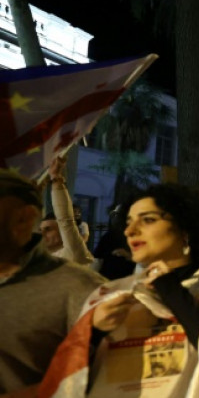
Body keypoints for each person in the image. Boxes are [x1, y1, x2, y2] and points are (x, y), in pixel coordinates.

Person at [39, 183, 199, 397]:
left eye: (148, 220)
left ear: (185, 228)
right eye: (128, 222)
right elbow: (68, 380)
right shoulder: (109, 294)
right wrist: (93, 331)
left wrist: (169, 287)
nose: (130, 231)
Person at [0, 169, 104, 395]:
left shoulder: (76, 278)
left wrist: (58, 184)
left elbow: (106, 377)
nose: (44, 233)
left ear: (24, 219)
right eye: (42, 229)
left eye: (48, 229)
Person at [38, 157, 93, 265]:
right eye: (40, 230)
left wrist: (56, 178)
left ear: (63, 232)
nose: (42, 234)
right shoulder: (36, 260)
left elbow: (65, 220)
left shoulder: (72, 254)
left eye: (48, 229)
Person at [92, 205, 136, 280]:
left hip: (127, 280)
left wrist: (129, 256)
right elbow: (97, 259)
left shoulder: (138, 236)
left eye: (117, 215)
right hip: (108, 279)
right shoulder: (109, 236)